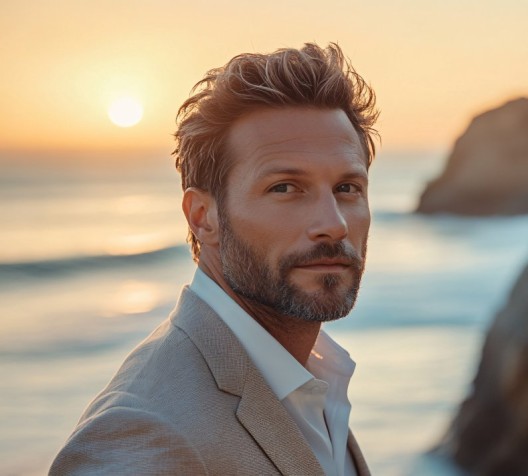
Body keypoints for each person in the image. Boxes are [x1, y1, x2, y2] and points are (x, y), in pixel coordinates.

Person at [50, 43, 378, 476]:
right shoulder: (139, 436)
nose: (333, 224)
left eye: (347, 188)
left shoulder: (313, 378)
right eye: (284, 188)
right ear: (203, 218)